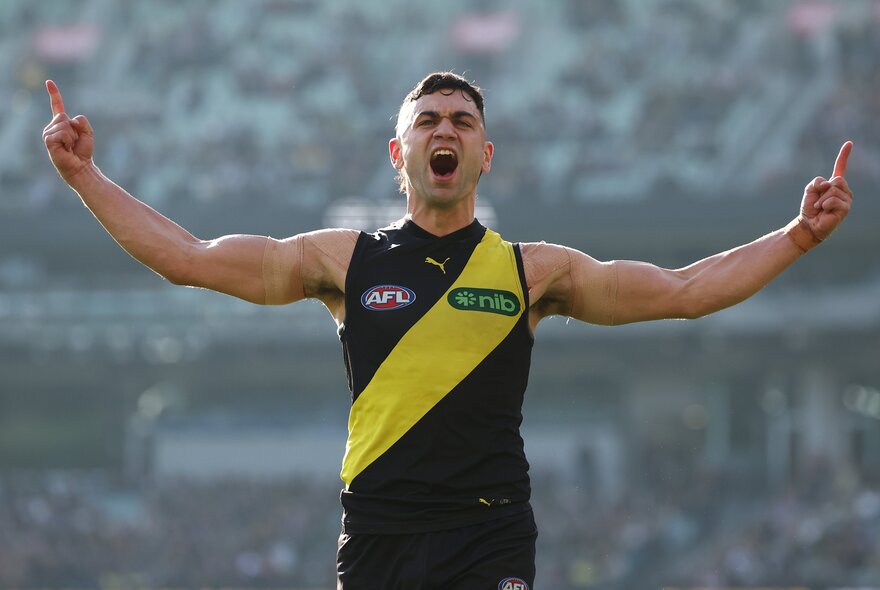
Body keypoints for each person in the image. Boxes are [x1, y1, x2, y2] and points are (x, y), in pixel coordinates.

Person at [43, 72, 854, 589]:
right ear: (399, 152)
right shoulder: (344, 260)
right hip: (379, 533)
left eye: (462, 121)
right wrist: (85, 176)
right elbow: (188, 258)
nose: (445, 130)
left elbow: (683, 290)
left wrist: (798, 236)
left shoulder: (535, 271)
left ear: (484, 153)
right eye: (428, 119)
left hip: (488, 533)